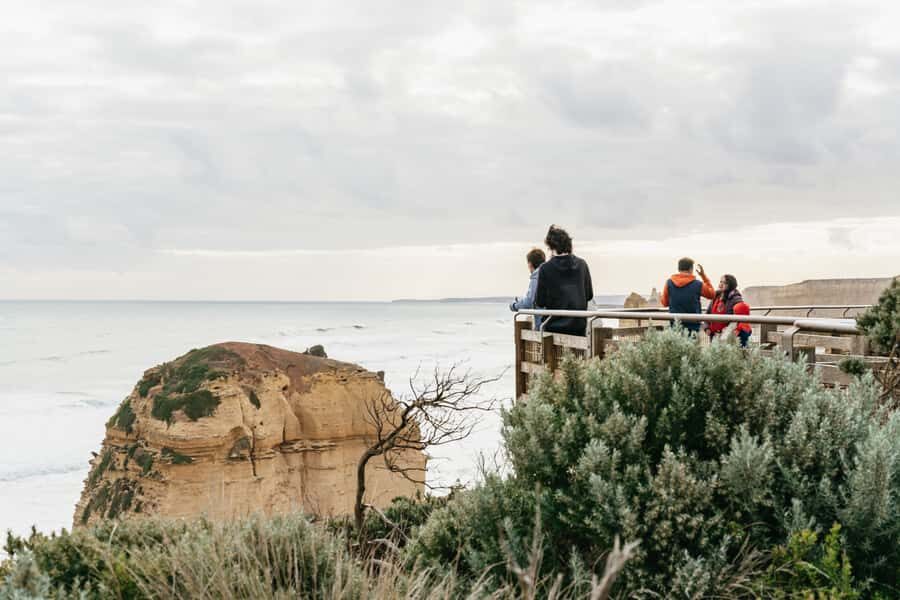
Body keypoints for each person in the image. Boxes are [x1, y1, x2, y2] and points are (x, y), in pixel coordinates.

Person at [534, 225, 594, 335]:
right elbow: (589, 295)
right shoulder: (582, 265)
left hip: (554, 328)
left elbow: (540, 301)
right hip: (578, 327)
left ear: (551, 247)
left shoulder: (545, 268)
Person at [660, 257, 715, 334]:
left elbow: (664, 303)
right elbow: (712, 294)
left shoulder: (669, 283)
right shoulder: (698, 284)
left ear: (679, 269)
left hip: (675, 324)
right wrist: (703, 276)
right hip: (693, 325)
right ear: (690, 269)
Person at [706, 274, 752, 347]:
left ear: (730, 284)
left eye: (723, 283)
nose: (720, 284)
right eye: (720, 282)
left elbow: (741, 317)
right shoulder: (716, 296)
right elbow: (707, 314)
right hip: (714, 336)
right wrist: (707, 327)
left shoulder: (736, 299)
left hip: (726, 337)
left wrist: (729, 332)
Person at [509, 248, 546, 330]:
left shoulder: (537, 276)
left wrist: (514, 305)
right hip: (551, 322)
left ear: (530, 264)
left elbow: (529, 302)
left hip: (543, 326)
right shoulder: (549, 274)